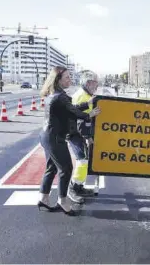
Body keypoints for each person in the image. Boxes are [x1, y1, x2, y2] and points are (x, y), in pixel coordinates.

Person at [37, 66, 101, 216]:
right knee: (66, 169)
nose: (70, 80)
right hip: (55, 138)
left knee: (51, 168)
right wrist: (89, 114)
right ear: (58, 80)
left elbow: (70, 108)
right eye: (67, 78)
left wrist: (87, 104)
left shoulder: (55, 95)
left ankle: (44, 198)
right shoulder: (61, 96)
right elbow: (74, 111)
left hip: (46, 135)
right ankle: (63, 201)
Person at [67, 74, 99, 204]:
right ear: (88, 83)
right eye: (95, 84)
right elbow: (82, 121)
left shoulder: (84, 95)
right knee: (83, 161)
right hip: (76, 134)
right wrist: (88, 137)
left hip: (76, 133)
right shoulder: (83, 97)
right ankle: (73, 189)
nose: (97, 86)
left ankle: (79, 187)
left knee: (84, 160)